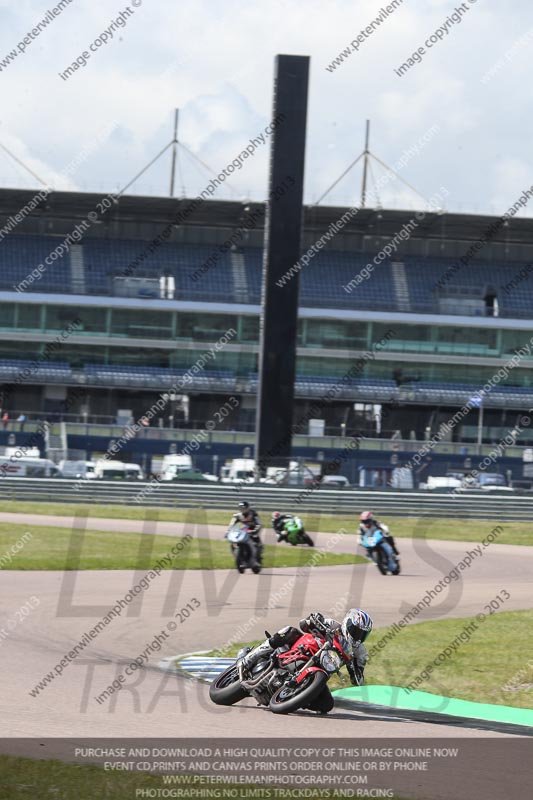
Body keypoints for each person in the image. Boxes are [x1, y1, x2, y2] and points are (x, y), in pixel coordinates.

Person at [240, 608, 373, 713]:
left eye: (363, 634)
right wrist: (314, 619)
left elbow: (358, 681)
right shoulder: (332, 624)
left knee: (326, 705)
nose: (359, 636)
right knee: (290, 631)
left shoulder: (360, 651)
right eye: (357, 631)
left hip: (321, 668)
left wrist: (354, 668)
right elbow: (303, 624)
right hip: (304, 650)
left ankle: (296, 699)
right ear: (348, 623)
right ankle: (250, 657)